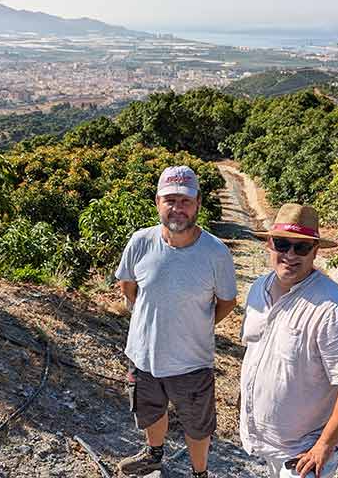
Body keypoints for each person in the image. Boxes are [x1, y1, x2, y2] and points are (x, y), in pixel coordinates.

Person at [115, 165, 238, 477]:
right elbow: (128, 286)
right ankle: (153, 455)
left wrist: (196, 325)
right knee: (150, 411)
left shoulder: (215, 252)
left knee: (197, 425)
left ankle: (199, 473)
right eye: (170, 200)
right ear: (157, 202)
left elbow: (227, 302)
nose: (177, 208)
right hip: (144, 357)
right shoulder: (141, 242)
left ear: (197, 203)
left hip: (192, 362)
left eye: (185, 201)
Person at [240, 203, 338, 478]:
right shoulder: (258, 288)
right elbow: (256, 351)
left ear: (315, 251)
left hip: (304, 452)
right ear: (269, 244)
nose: (290, 254)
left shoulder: (333, 308)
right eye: (282, 244)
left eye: (301, 247)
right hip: (267, 443)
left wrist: (323, 446)